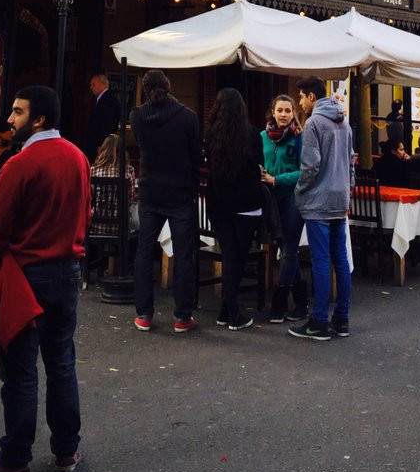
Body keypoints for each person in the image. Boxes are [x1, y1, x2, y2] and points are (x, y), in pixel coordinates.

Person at [0, 85, 91, 472]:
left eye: (17, 112)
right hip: (68, 271)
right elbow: (86, 213)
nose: (9, 119)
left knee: (20, 371)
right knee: (61, 363)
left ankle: (15, 458)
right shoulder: (78, 157)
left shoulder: (18, 165)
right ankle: (66, 450)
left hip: (27, 275)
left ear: (38, 119)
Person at [131, 69, 201, 333]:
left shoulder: (137, 116)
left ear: (145, 89)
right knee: (183, 254)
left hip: (150, 190)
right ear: (169, 85)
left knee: (144, 251)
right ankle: (182, 316)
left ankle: (144, 314)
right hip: (180, 192)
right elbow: (195, 156)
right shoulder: (188, 117)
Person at [289, 77, 353, 342]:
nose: (300, 102)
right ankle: (342, 319)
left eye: (302, 97)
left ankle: (318, 321)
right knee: (341, 260)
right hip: (340, 198)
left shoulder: (314, 123)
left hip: (318, 200)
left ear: (312, 97)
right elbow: (351, 161)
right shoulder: (344, 122)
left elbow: (311, 165)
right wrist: (348, 191)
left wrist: (300, 190)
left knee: (321, 261)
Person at [205, 88, 265, 331]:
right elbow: (259, 164)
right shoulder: (253, 134)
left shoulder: (211, 135)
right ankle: (232, 312)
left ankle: (225, 310)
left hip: (219, 203)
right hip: (246, 203)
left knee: (230, 254)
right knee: (238, 257)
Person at [261, 94, 307, 322]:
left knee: (289, 251)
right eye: (280, 110)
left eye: (288, 111)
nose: (283, 115)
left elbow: (304, 171)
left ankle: (278, 306)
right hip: (270, 201)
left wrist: (277, 179)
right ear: (273, 112)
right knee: (286, 251)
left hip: (292, 199)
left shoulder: (299, 138)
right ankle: (301, 303)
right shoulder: (262, 137)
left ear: (293, 114)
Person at [89, 133, 136, 237]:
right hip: (121, 226)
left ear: (103, 150)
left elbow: (89, 197)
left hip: (96, 225)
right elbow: (131, 198)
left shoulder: (93, 170)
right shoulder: (129, 170)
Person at [83, 73, 120, 163]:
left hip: (100, 147)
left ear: (103, 84)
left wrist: (103, 145)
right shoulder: (103, 99)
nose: (91, 87)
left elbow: (107, 125)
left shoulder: (108, 100)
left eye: (93, 84)